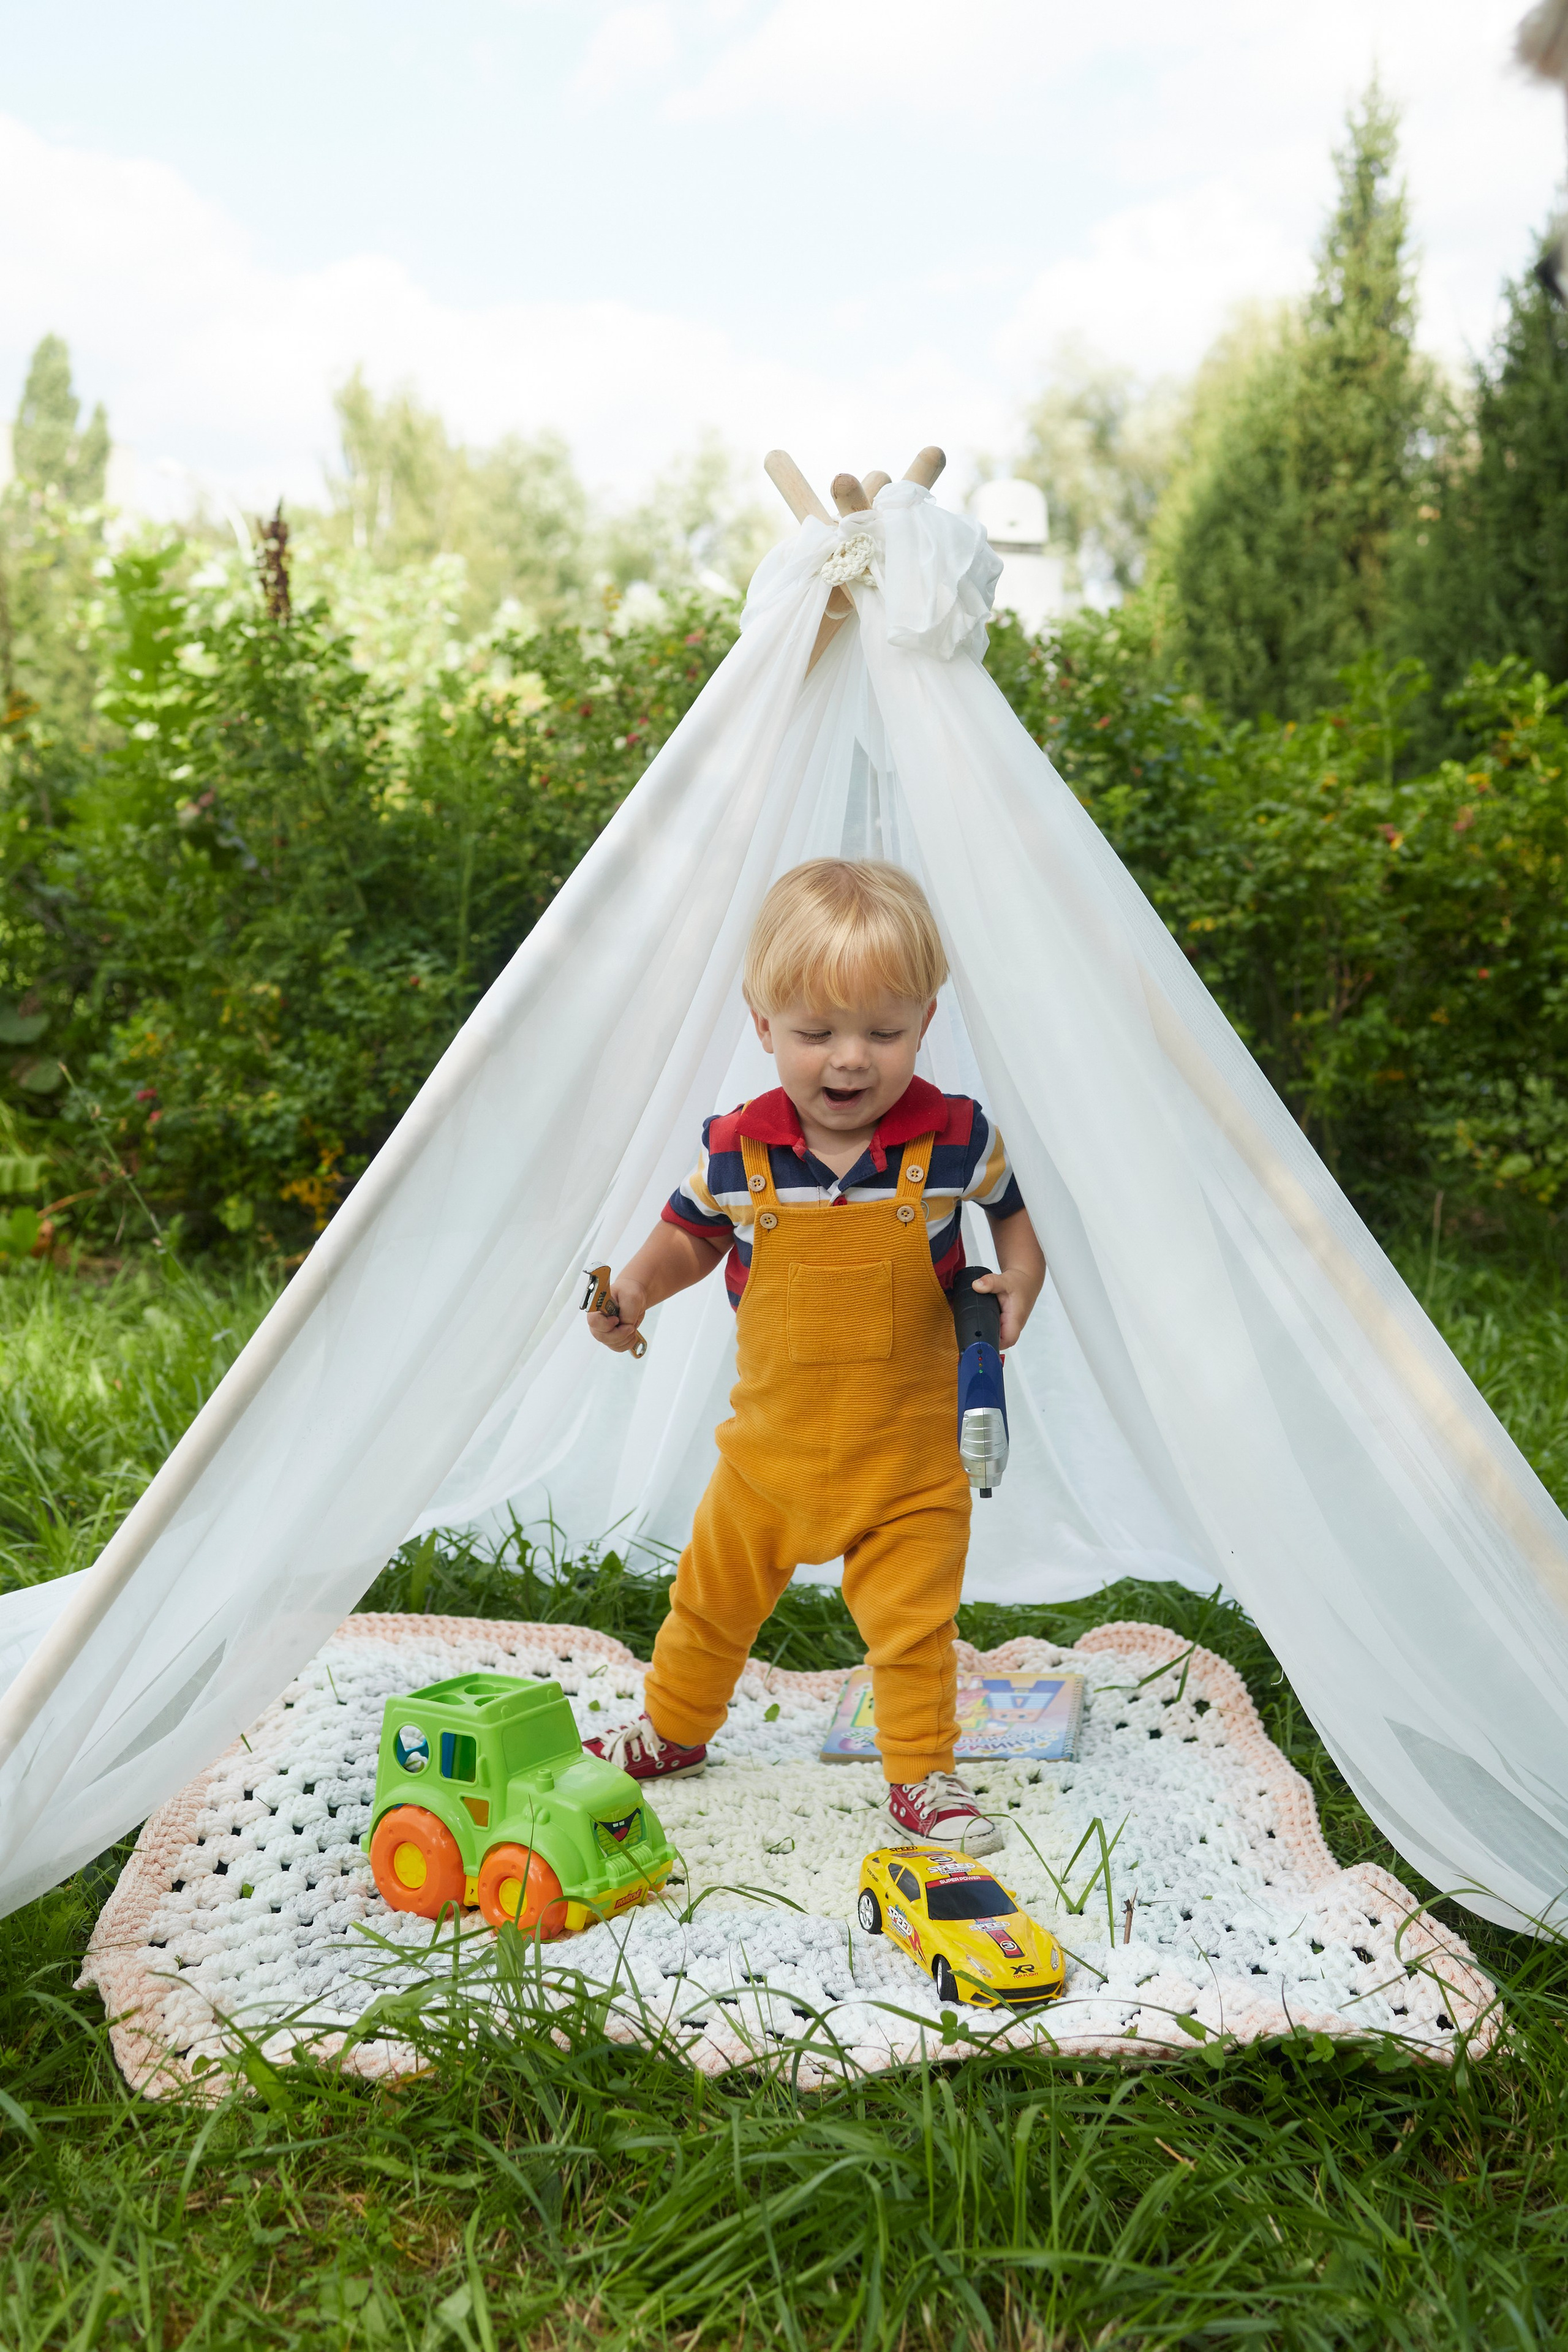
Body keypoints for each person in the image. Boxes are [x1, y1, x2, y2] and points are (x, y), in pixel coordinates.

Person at [584, 858, 1046, 1852]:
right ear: (761, 1024)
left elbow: (1015, 1224)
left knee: (915, 1632)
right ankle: (672, 1730)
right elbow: (689, 1244)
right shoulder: (737, 1154)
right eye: (816, 1034)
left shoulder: (958, 1142)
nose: (850, 1061)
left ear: (927, 1019)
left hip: (911, 1459)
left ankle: (924, 1778)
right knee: (705, 1606)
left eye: (883, 1033)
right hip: (769, 1458)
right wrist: (631, 1289)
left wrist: (1018, 1284)